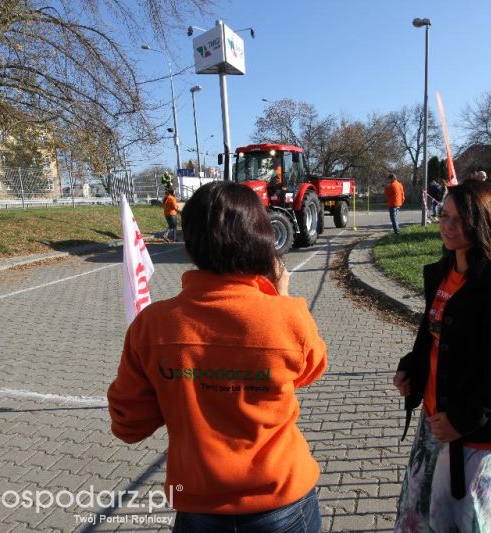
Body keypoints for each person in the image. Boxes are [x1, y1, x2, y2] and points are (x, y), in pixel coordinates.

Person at [108, 181, 327, 533]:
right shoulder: (287, 316)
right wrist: (280, 298)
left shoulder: (152, 325)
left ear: (191, 241)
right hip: (282, 500)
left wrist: (177, 383)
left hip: (198, 503)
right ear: (261, 239)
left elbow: (128, 425)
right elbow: (309, 370)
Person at [392, 180, 491, 532]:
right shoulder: (443, 272)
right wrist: (411, 369)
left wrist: (462, 418)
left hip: (472, 429)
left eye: (460, 219)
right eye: (444, 215)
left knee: (464, 521)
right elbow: (432, 336)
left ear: (484, 221)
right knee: (416, 515)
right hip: (433, 417)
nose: (447, 225)